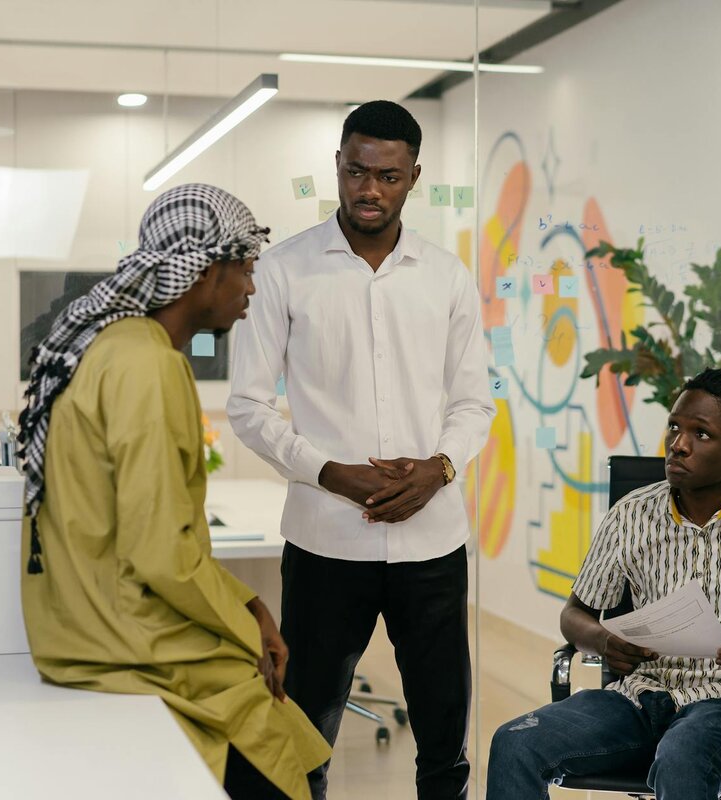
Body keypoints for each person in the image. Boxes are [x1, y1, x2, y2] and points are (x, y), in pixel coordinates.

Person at [17, 184, 330, 800]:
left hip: (80, 628)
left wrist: (249, 605)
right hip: (124, 640)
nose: (251, 287)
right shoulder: (149, 366)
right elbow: (160, 554)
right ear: (205, 271)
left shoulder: (115, 349)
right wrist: (249, 626)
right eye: (245, 269)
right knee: (280, 745)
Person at [228, 100, 495, 800]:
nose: (368, 189)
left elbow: (475, 403)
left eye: (387, 175)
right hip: (325, 542)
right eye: (355, 171)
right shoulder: (283, 271)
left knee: (444, 744)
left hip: (432, 545)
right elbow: (247, 406)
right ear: (338, 166)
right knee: (304, 740)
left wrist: (439, 469)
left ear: (414, 178)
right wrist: (328, 474)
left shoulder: (446, 276)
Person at [487, 369, 721, 800]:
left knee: (683, 758)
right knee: (515, 743)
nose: (678, 444)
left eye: (701, 434)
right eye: (674, 427)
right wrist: (603, 641)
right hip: (640, 699)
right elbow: (575, 614)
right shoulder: (631, 514)